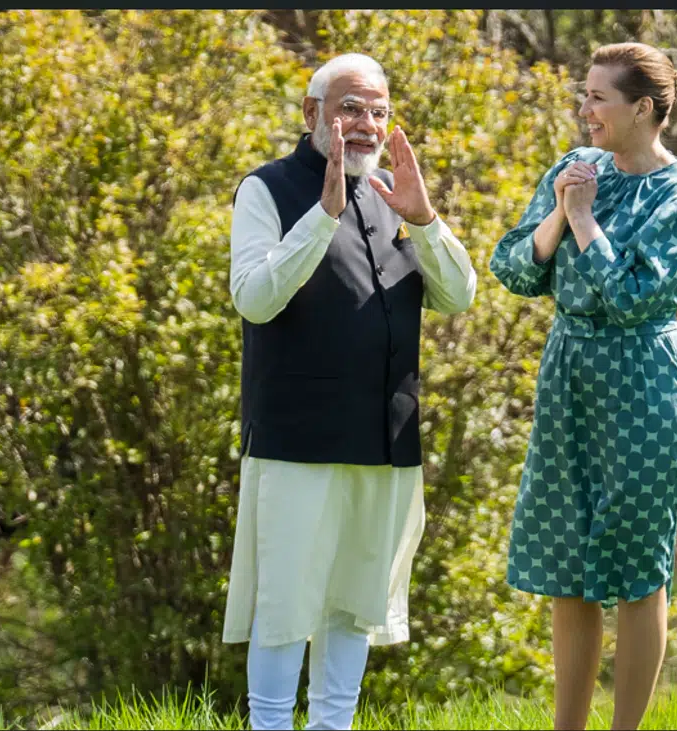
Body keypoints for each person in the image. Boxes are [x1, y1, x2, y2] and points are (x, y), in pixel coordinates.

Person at [222, 53, 477, 730]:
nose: (366, 124)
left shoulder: (394, 193)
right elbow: (254, 299)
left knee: (354, 603)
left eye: (378, 111)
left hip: (385, 440)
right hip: (296, 439)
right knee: (284, 605)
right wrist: (324, 216)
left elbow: (458, 296)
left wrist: (426, 220)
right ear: (313, 113)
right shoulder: (266, 189)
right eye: (351, 108)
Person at [489, 42, 677, 731]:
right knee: (567, 559)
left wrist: (586, 220)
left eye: (597, 97)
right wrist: (562, 210)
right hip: (569, 375)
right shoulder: (575, 169)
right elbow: (513, 268)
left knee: (637, 564)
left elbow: (633, 298)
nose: (584, 110)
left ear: (642, 108)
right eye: (583, 95)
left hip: (643, 379)